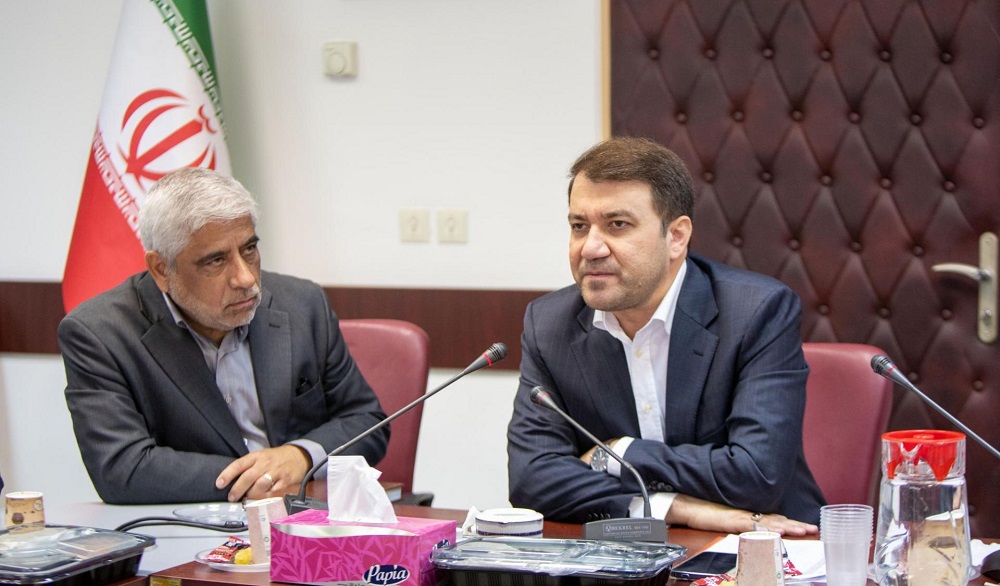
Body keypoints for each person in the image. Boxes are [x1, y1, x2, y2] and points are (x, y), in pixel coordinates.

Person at [507, 137, 825, 535]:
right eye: (579, 226)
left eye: (617, 225)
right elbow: (532, 480)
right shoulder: (550, 324)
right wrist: (673, 508)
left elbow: (756, 473)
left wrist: (620, 452)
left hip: (767, 542)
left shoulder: (755, 312)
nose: (590, 248)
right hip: (630, 548)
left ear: (676, 236)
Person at [58, 167, 388, 505]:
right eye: (215, 260)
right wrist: (258, 477)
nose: (245, 279)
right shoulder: (100, 334)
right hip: (189, 522)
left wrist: (300, 456)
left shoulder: (303, 305)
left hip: (303, 517)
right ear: (161, 269)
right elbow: (121, 467)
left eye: (249, 249)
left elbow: (366, 421)